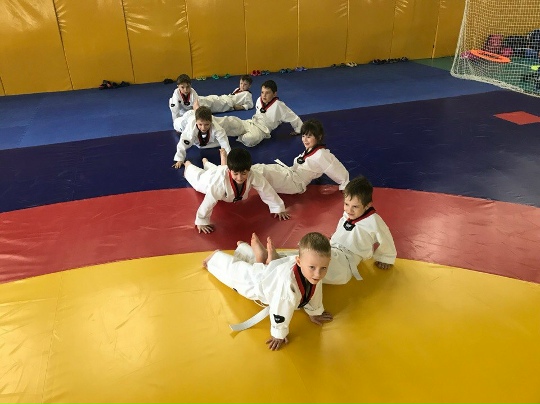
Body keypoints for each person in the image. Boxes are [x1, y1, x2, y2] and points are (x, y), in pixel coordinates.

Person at [203, 232, 334, 351]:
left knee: (260, 268)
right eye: (312, 267)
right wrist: (278, 334)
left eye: (324, 268)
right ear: (298, 261)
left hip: (276, 269)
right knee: (238, 276)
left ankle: (247, 251)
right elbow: (279, 310)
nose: (318, 274)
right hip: (261, 283)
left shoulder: (312, 269)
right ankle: (215, 258)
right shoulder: (287, 286)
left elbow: (315, 291)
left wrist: (315, 312)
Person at [184, 148, 290, 234]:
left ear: (249, 169)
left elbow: (266, 190)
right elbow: (209, 200)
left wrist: (277, 207)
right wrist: (201, 220)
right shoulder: (219, 182)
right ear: (230, 170)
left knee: (216, 169)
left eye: (244, 173)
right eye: (236, 174)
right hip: (210, 180)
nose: (240, 178)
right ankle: (188, 164)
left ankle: (206, 162)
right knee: (198, 179)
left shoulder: (253, 175)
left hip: (221, 170)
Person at [324, 175, 397, 285]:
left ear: (367, 206)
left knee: (317, 267)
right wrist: (336, 237)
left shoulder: (373, 221)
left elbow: (385, 238)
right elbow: (343, 226)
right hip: (333, 249)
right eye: (346, 204)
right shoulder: (348, 214)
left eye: (355, 206)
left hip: (347, 260)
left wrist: (385, 258)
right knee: (306, 254)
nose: (349, 210)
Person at [251, 119, 349, 194]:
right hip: (290, 175)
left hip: (295, 184)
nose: (305, 140)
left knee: (261, 171)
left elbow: (335, 167)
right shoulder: (311, 149)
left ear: (319, 137)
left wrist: (345, 184)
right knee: (258, 168)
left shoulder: (321, 154)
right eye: (303, 136)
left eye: (309, 136)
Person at [214, 79, 303, 147]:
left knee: (249, 139)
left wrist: (298, 130)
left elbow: (293, 117)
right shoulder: (259, 100)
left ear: (274, 94)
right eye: (262, 92)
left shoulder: (279, 105)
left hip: (262, 130)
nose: (264, 95)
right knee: (230, 121)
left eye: (267, 93)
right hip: (251, 122)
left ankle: (238, 134)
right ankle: (211, 121)